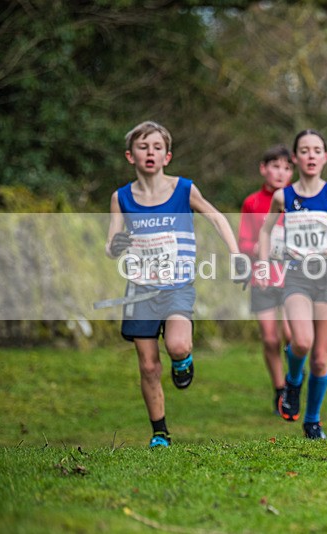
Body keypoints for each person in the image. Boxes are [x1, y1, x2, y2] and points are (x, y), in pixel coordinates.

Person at [106, 121, 242, 448]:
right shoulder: (121, 197)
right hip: (140, 290)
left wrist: (236, 253)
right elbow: (111, 244)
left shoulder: (183, 189)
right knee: (149, 366)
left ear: (167, 156)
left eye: (156, 147)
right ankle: (159, 432)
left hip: (177, 285)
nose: (149, 153)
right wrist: (118, 244)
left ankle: (183, 361)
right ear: (130, 155)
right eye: (143, 147)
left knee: (178, 345)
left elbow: (215, 216)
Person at [257, 129, 327, 440]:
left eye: (316, 150)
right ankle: (292, 382)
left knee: (320, 358)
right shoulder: (284, 196)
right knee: (301, 342)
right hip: (296, 276)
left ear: (325, 157)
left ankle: (313, 420)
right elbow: (265, 232)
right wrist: (265, 264)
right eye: (304, 151)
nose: (310, 156)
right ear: (295, 157)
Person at [238, 144, 294, 414]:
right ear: (264, 168)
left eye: (286, 167)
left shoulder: (297, 200)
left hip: (293, 278)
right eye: (275, 166)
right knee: (270, 339)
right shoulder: (252, 202)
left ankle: (294, 382)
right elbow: (244, 241)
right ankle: (280, 390)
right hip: (263, 278)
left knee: (293, 336)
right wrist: (264, 249)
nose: (280, 173)